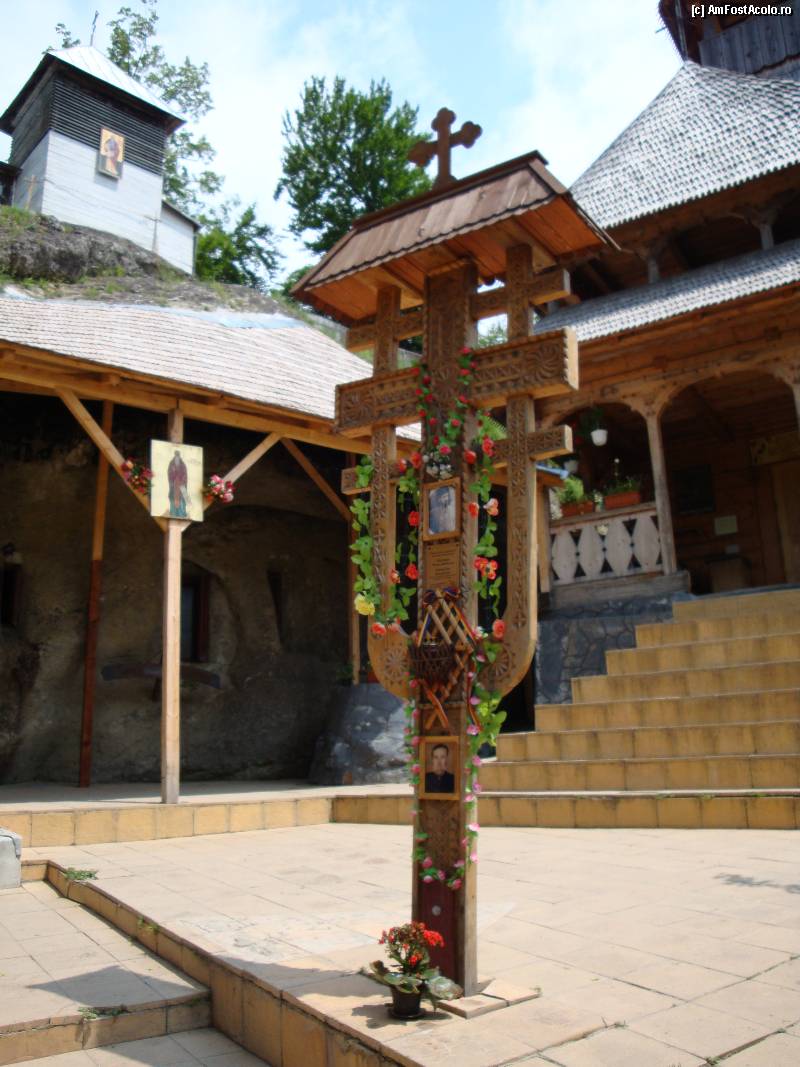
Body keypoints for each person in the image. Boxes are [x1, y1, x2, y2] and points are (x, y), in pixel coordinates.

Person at [167, 449, 189, 518]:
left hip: (181, 484)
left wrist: (181, 480)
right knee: (173, 497)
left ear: (179, 456)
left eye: (178, 456)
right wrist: (173, 477)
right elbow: (169, 473)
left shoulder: (183, 464)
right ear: (174, 455)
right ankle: (173, 513)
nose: (177, 457)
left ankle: (182, 513)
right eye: (176, 455)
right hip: (173, 484)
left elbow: (185, 474)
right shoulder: (171, 463)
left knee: (182, 497)